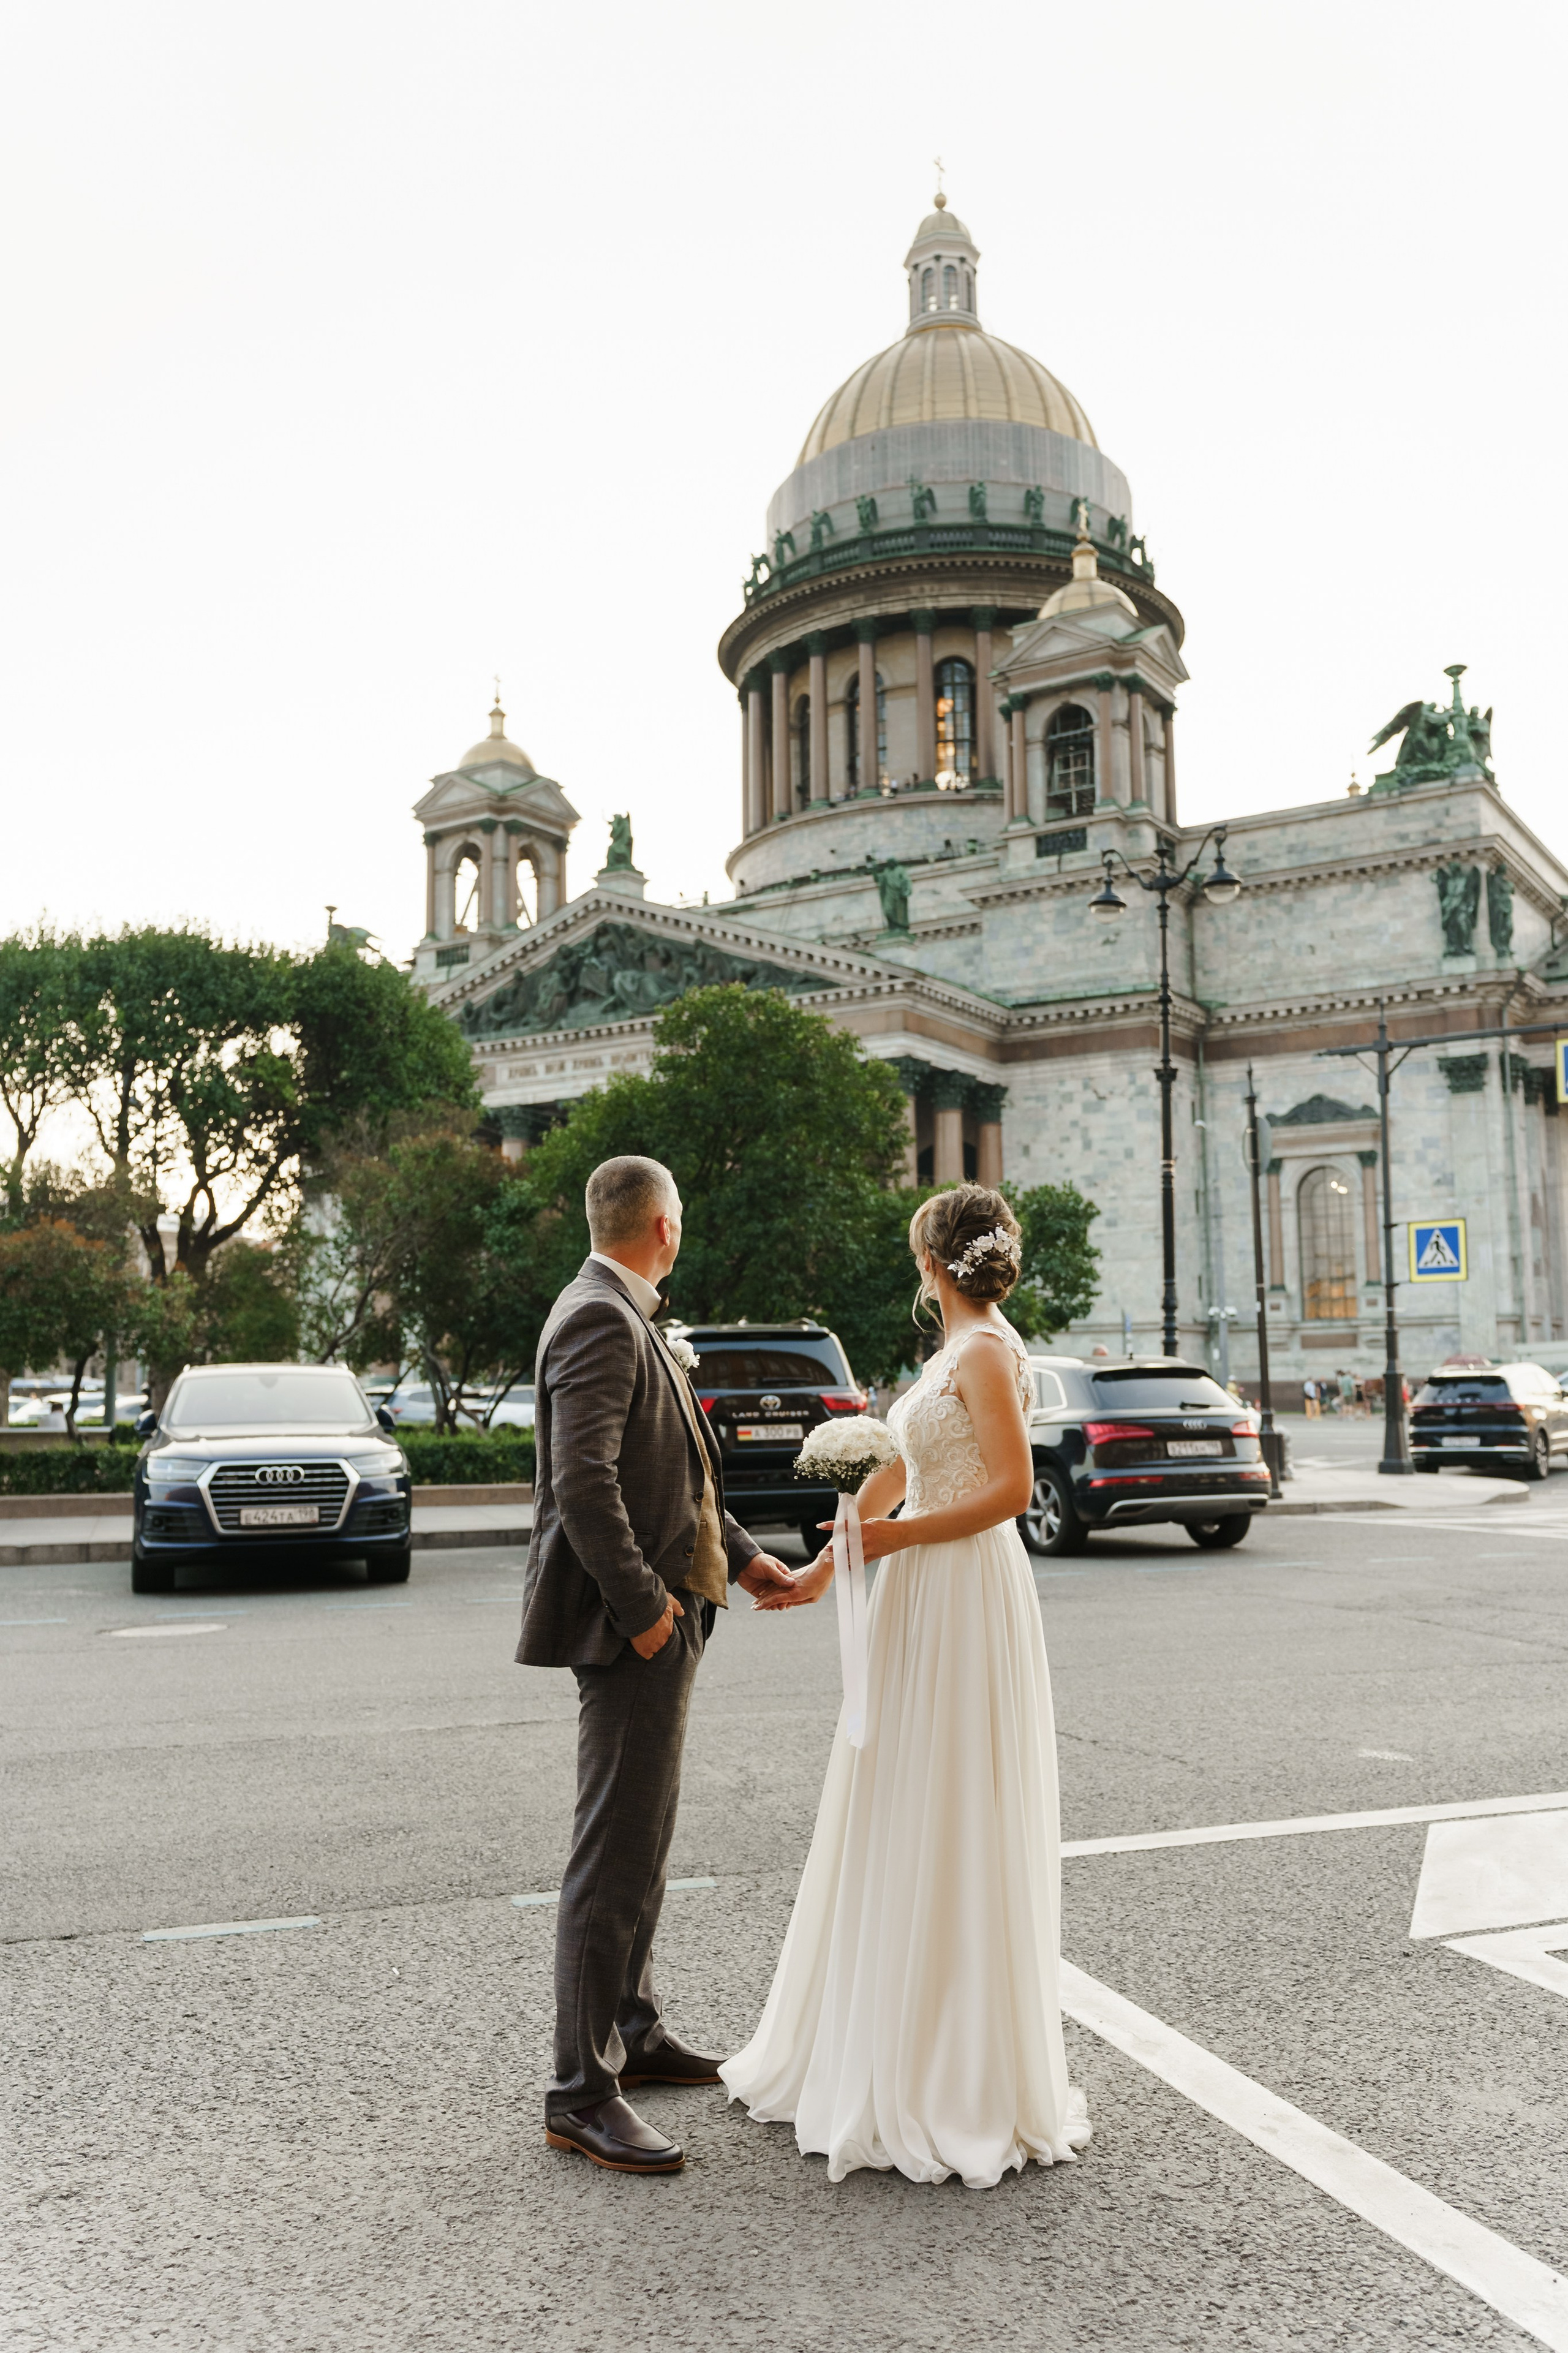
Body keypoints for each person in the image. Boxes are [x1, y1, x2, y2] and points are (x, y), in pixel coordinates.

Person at [722, 1184, 1091, 2188]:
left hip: (965, 1591)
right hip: (919, 1591)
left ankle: (949, 2075)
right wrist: (826, 1565)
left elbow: (1009, 1492)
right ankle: (887, 2040)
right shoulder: (954, 1353)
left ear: (933, 1260)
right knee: (901, 1800)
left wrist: (889, 1539)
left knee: (951, 1805)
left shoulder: (983, 1351)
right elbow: (893, 1472)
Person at [518, 1155, 796, 2176]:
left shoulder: (623, 1311)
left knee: (645, 1840)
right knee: (612, 1852)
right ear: (664, 1226)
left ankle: (631, 2031)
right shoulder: (598, 1315)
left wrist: (749, 1552)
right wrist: (644, 1613)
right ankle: (579, 2092)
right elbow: (583, 1481)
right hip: (629, 1625)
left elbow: (669, 1468)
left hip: (671, 1612)